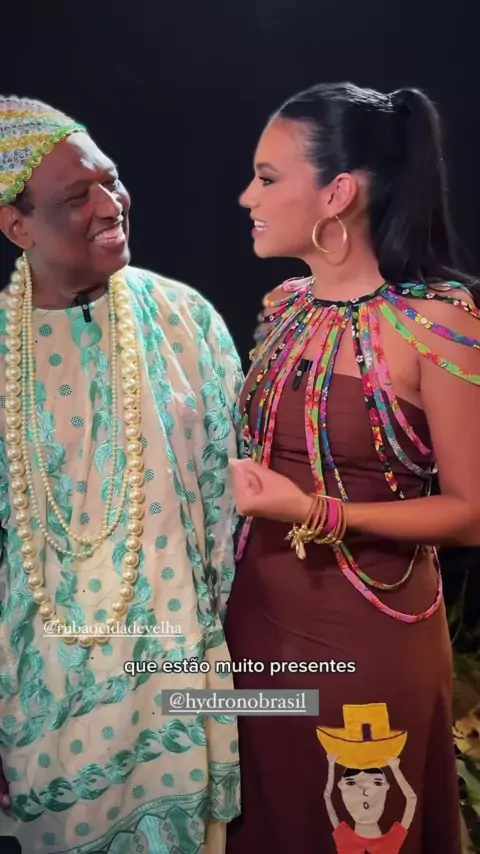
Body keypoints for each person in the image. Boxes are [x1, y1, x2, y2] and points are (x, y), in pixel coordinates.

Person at [224, 82, 480, 854]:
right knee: (267, 823)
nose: (246, 198)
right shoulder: (284, 306)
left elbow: (470, 511)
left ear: (337, 193)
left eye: (267, 178)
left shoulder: (440, 321)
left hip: (366, 636)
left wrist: (318, 513)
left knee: (354, 826)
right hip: (255, 630)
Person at [0, 96, 243, 853]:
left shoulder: (183, 318)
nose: (111, 206)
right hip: (44, 715)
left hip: (180, 691)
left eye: (111, 181)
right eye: (77, 196)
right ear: (17, 227)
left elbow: (235, 511)